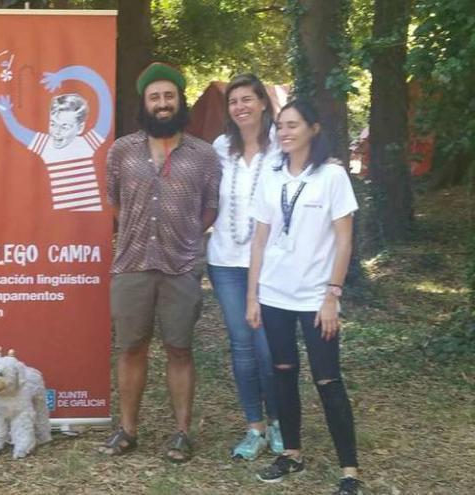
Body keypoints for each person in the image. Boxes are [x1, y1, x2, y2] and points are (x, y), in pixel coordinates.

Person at [98, 62, 220, 463]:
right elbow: (112, 203)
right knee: (131, 348)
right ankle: (128, 429)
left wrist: (183, 238)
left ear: (180, 100)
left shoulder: (203, 155)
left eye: (170, 96)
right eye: (155, 97)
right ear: (144, 103)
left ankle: (181, 433)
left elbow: (210, 208)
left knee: (179, 349)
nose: (163, 104)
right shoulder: (121, 151)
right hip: (131, 264)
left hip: (180, 267)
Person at [245, 100, 362, 495]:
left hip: (316, 297)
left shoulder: (331, 176)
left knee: (328, 379)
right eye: (279, 126)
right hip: (276, 293)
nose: (284, 132)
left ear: (313, 128)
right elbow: (260, 239)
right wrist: (253, 295)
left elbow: (344, 240)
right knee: (282, 373)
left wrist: (332, 294)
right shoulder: (271, 175)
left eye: (293, 125)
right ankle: (291, 453)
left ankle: (350, 471)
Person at [206, 73, 283, 460]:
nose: (240, 107)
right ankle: (254, 426)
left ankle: (280, 421)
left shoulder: (282, 148)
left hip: (272, 265)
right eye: (234, 101)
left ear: (264, 103)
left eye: (247, 99)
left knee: (270, 348)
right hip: (225, 262)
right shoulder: (221, 148)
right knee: (242, 347)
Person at [0, 65, 113, 212]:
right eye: (53, 124)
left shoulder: (87, 143)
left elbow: (103, 93)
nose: (56, 132)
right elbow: (19, 131)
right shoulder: (46, 145)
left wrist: (63, 75)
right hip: (61, 218)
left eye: (65, 127)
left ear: (80, 128)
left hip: (88, 220)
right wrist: (6, 114)